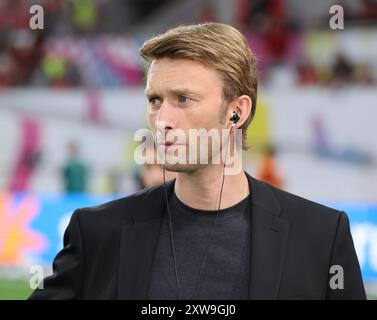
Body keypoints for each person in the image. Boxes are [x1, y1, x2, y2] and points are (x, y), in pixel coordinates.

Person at [29, 23, 366, 300]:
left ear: (237, 111)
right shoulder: (99, 234)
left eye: (183, 99)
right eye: (155, 100)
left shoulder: (320, 237)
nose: (162, 120)